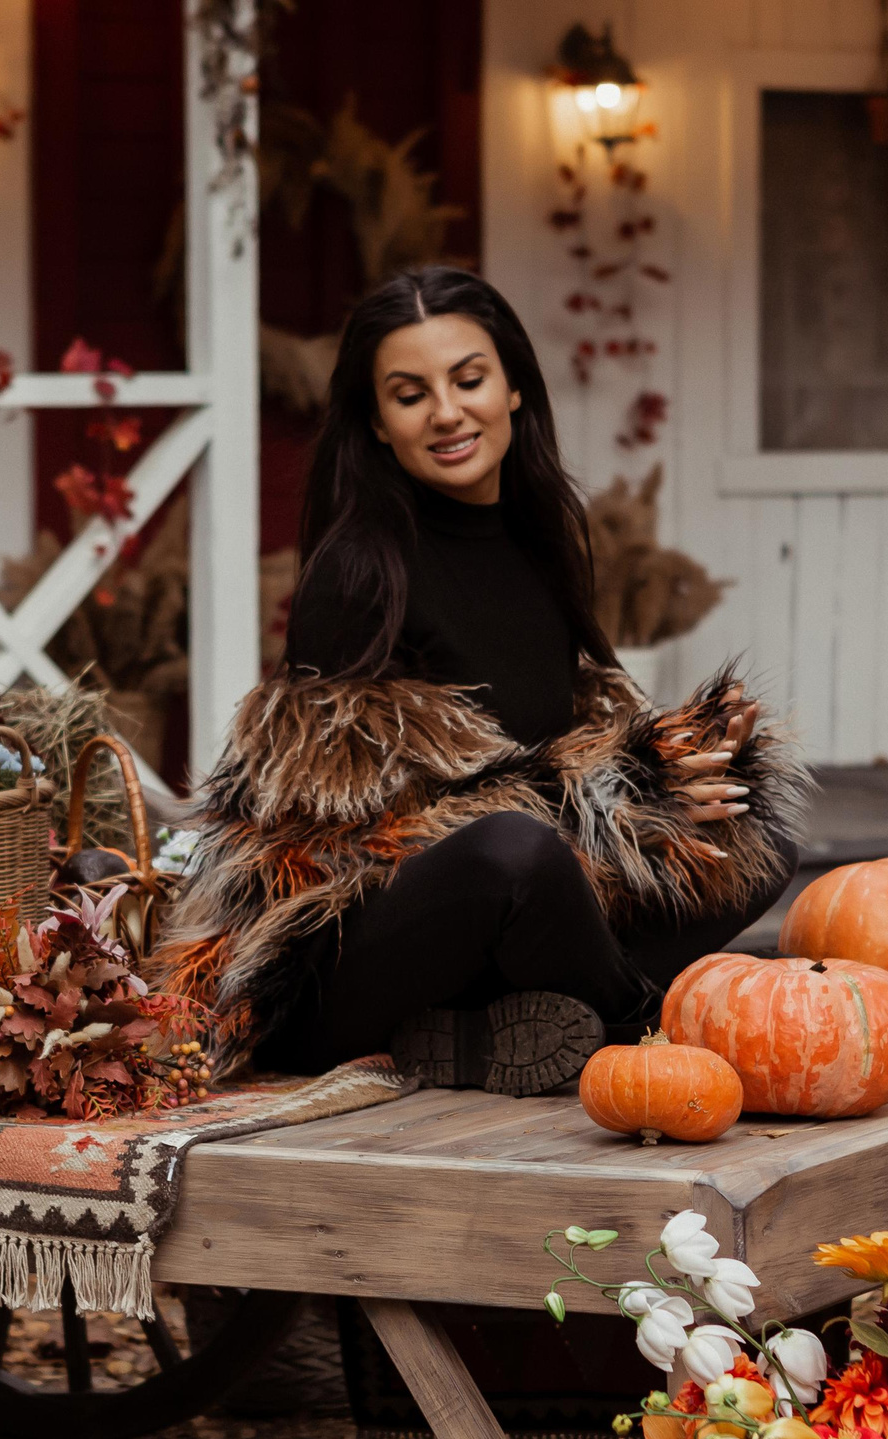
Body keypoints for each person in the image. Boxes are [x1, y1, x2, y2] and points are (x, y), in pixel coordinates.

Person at [164, 266, 804, 1093]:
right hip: (340, 967)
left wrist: (676, 775)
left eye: (468, 379)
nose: (447, 411)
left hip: (503, 926)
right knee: (515, 853)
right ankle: (639, 1027)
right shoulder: (360, 572)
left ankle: (484, 1035)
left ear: (513, 392)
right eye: (409, 394)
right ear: (379, 424)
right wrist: (620, 795)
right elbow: (350, 840)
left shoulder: (540, 542)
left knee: (760, 835)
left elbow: (563, 745)